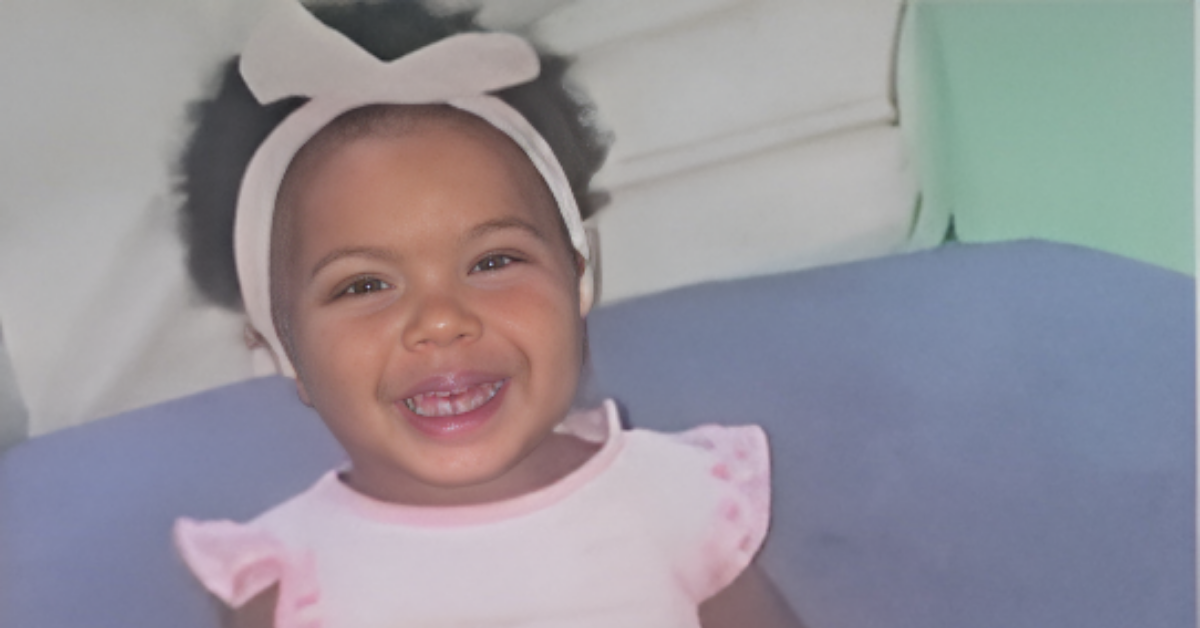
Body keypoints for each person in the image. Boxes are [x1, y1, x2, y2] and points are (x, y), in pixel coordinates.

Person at [172, 2, 802, 627]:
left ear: (577, 276)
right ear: (280, 345)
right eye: (364, 285)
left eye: (494, 261)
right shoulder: (285, 577)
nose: (441, 320)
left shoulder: (674, 502)